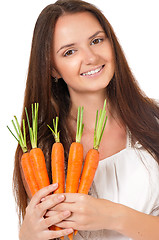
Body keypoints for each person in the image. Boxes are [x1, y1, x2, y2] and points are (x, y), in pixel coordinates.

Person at [13, 0, 159, 239]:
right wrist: (27, 236)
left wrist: (113, 216)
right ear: (53, 69)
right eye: (69, 52)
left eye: (96, 40)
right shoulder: (41, 151)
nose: (90, 57)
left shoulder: (154, 121)